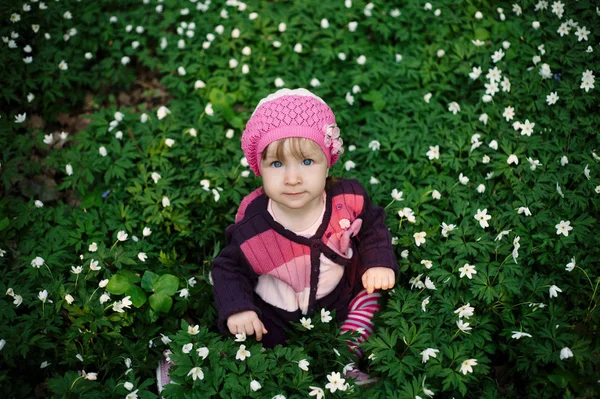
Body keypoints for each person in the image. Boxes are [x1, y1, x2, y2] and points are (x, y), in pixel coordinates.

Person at [211, 88, 398, 383]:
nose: (293, 178)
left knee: (369, 298)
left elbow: (373, 224)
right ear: (258, 168)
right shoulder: (254, 228)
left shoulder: (347, 199)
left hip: (336, 297)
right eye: (276, 164)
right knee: (253, 342)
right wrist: (239, 309)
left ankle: (345, 360)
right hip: (275, 313)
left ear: (328, 162)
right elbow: (227, 268)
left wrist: (378, 262)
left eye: (307, 162)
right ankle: (213, 367)